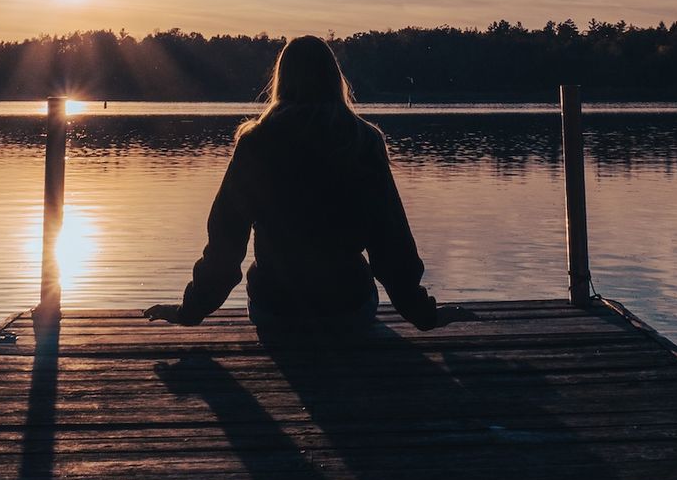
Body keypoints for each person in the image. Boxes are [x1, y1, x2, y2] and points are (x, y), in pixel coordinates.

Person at [144, 36, 473, 336]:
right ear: (334, 79)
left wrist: (191, 310)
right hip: (347, 308)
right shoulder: (363, 141)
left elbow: (226, 243)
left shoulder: (256, 143)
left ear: (281, 81)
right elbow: (392, 243)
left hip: (275, 310)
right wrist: (423, 314)